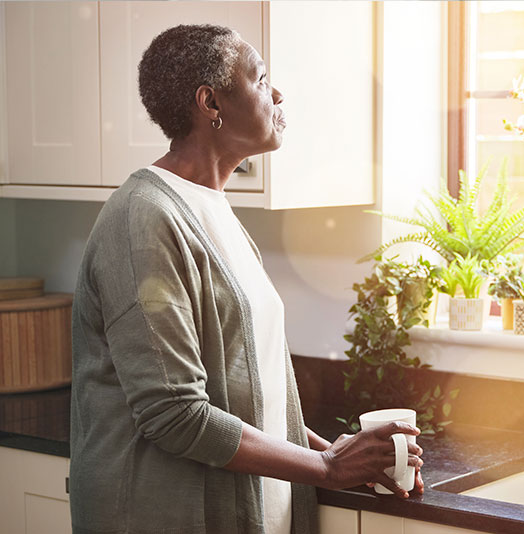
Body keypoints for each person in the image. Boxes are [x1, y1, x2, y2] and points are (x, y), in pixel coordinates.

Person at [69, 24, 423, 534]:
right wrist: (328, 469)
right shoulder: (143, 219)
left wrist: (338, 452)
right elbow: (174, 412)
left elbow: (245, 387)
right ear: (211, 103)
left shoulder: (214, 210)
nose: (277, 94)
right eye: (260, 79)